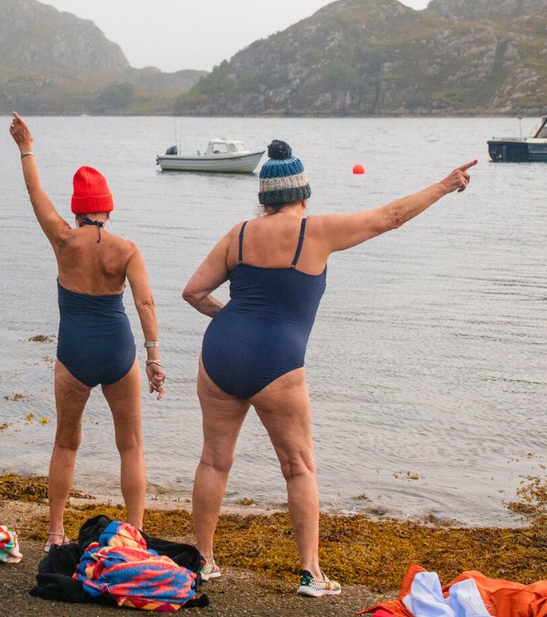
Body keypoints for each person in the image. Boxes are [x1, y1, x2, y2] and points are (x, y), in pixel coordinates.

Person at [182, 140, 475, 597]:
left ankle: (203, 561)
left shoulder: (238, 233)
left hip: (219, 354)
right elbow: (389, 217)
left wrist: (237, 323)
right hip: (276, 362)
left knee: (214, 460)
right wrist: (443, 185)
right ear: (303, 194)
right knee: (298, 467)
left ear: (264, 197)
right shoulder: (315, 230)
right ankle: (310, 574)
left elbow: (194, 293)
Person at [9, 112, 166, 550]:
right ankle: (133, 534)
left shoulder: (63, 239)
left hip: (74, 351)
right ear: (108, 207)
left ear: (77, 209)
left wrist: (26, 146)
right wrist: (153, 357)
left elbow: (34, 190)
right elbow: (146, 303)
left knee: (66, 443)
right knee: (130, 445)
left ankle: (56, 533)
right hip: (118, 350)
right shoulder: (128, 249)